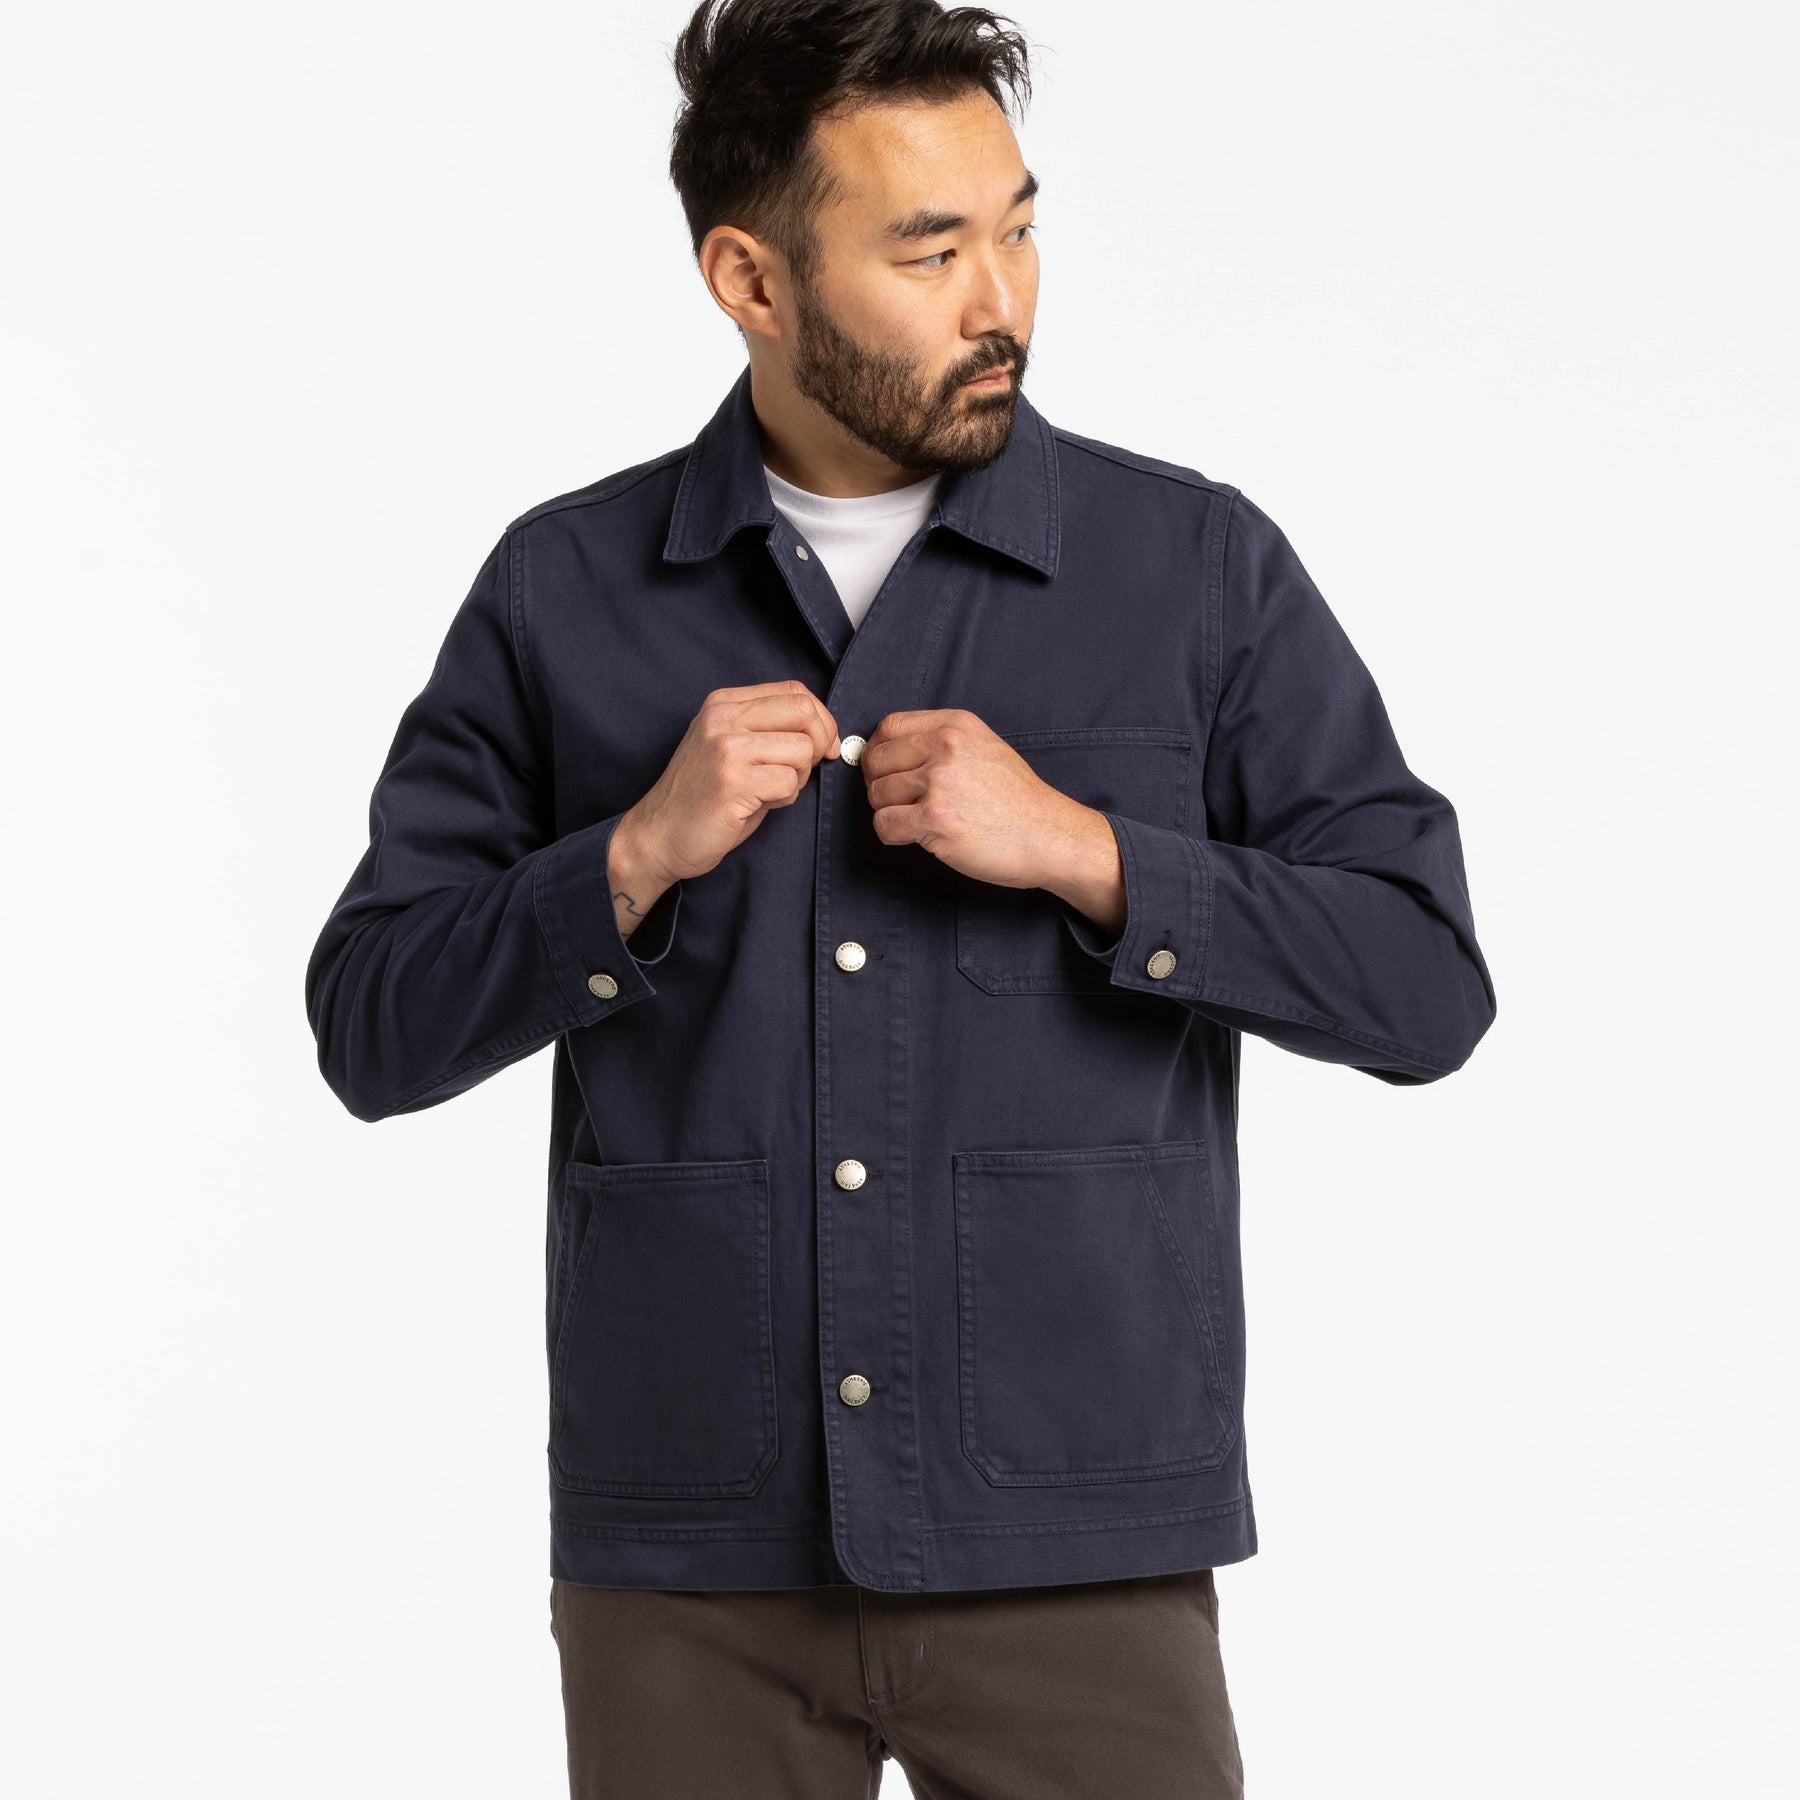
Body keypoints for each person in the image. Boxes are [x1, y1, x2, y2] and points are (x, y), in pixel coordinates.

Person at [304, 0, 1497, 1792]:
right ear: (752, 281)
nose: (1001, 299)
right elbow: (371, 1026)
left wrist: (1090, 852)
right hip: (691, 1553)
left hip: (1078, 1532)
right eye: (930, 253)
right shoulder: (566, 587)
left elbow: (1424, 985)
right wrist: (629, 858)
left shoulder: (1191, 568)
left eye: (1019, 230)